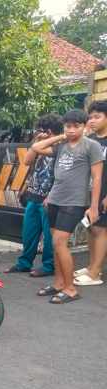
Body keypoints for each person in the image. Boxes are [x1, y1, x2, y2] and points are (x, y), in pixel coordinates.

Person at [32, 109, 103, 304]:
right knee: (55, 244)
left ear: (84, 126)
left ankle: (71, 289)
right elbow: (37, 147)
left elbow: (97, 178)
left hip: (74, 202)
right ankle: (58, 283)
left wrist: (94, 206)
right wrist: (62, 136)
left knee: (59, 243)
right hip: (54, 200)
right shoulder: (62, 145)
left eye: (76, 126)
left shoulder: (92, 146)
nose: (72, 130)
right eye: (68, 126)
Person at [5, 113, 63, 277]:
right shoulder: (40, 144)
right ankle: (24, 263)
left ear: (49, 131)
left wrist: (51, 195)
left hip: (50, 197)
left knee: (48, 234)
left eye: (42, 130)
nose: (39, 132)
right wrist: (36, 141)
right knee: (29, 232)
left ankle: (48, 266)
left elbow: (62, 175)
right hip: (34, 194)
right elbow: (27, 161)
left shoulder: (61, 147)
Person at [76, 101, 107, 286]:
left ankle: (95, 273)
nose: (92, 120)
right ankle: (91, 266)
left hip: (104, 193)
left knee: (101, 230)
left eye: (97, 116)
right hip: (88, 191)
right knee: (89, 226)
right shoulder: (92, 140)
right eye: (90, 117)